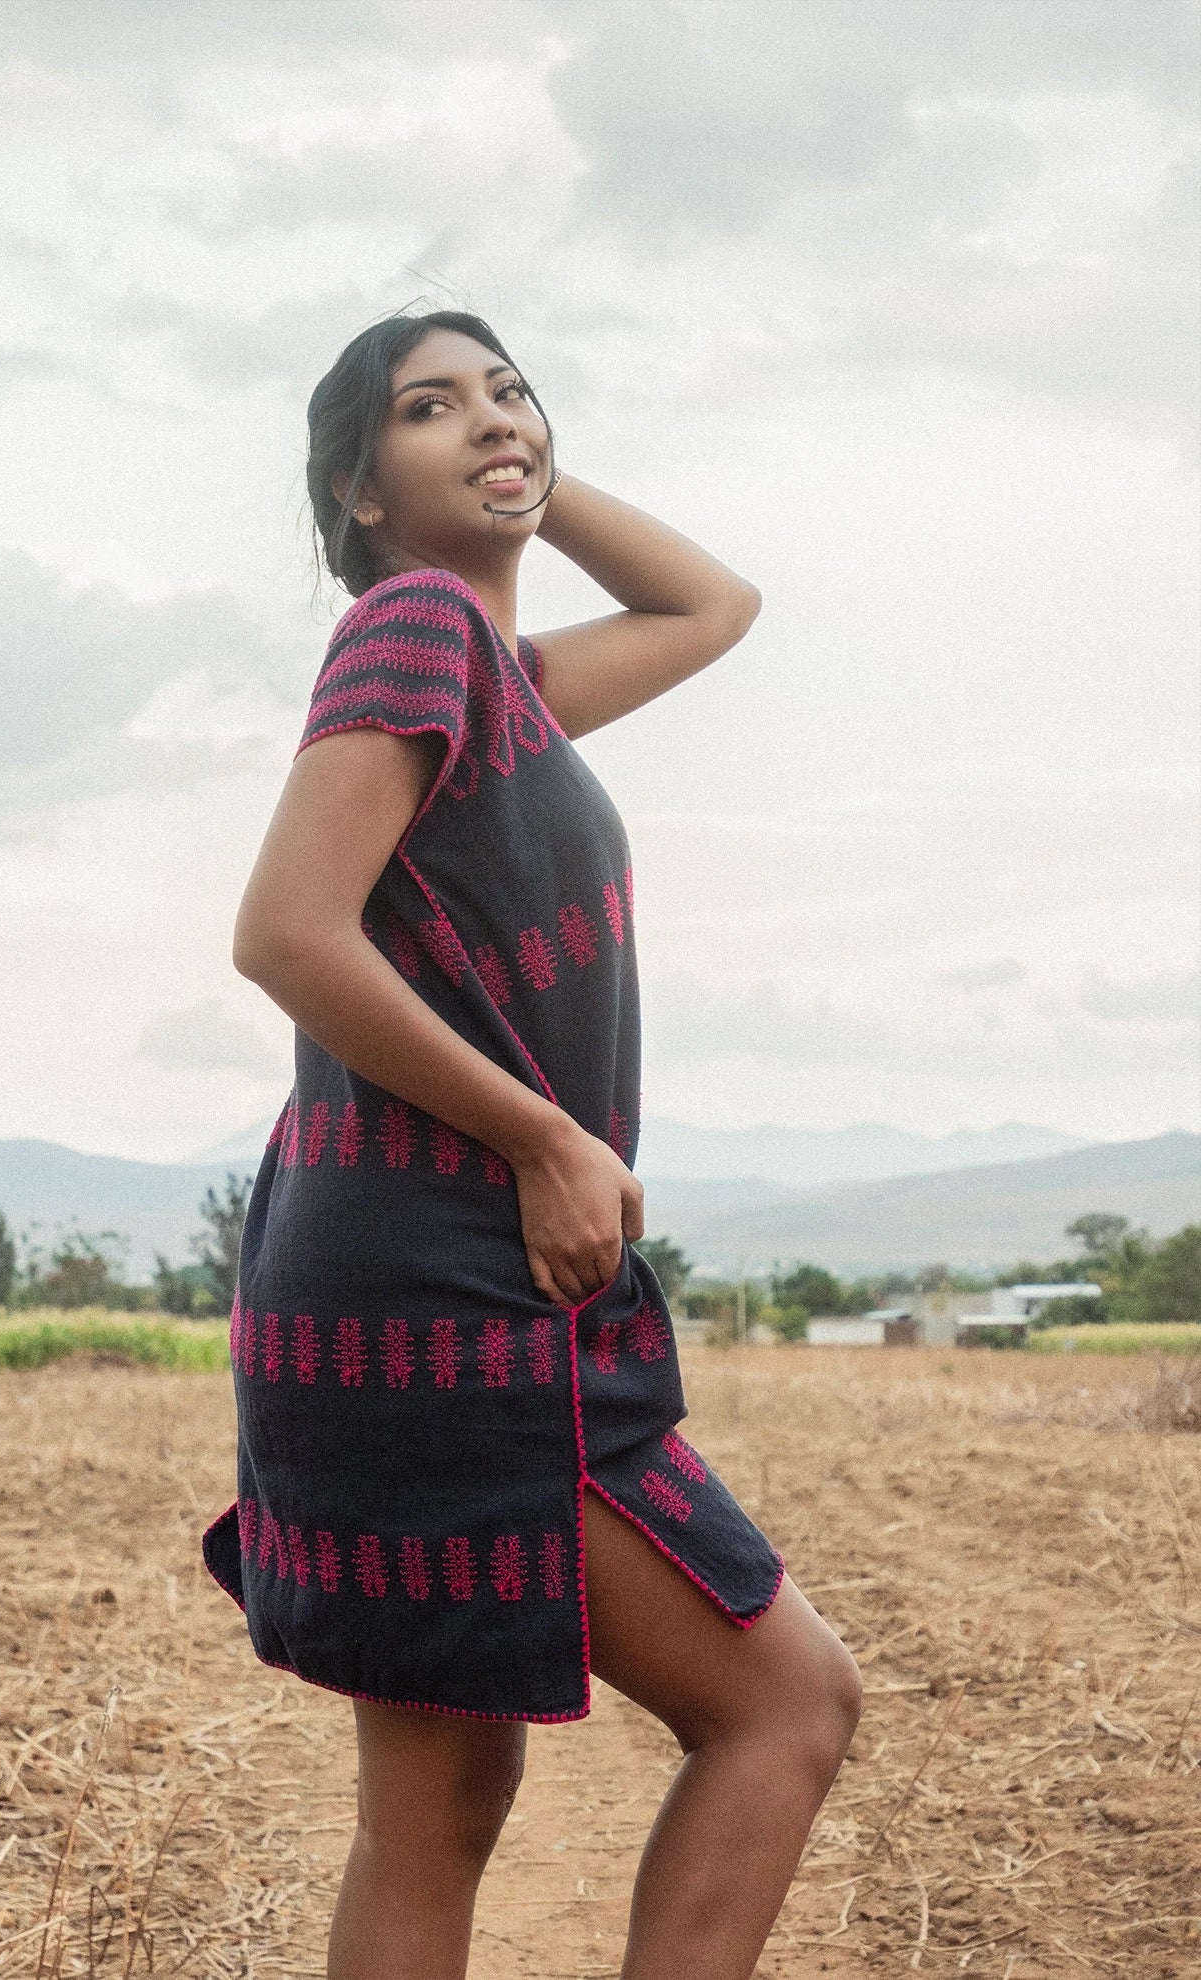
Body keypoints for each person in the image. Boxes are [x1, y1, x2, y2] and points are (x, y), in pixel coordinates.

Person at [202, 307, 862, 1980]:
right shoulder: (414, 627)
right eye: (433, 411)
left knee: (433, 1806)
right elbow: (286, 932)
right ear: (358, 490)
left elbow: (714, 606)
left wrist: (525, 473)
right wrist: (544, 1138)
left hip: (404, 1277)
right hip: (438, 1287)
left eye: (512, 394)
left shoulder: (505, 680)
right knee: (785, 1700)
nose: (493, 422)